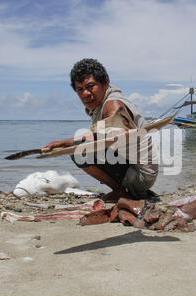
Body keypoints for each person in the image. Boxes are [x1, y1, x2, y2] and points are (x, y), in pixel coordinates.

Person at [43, 58, 158, 202]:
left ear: (105, 82)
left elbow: (118, 131)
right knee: (79, 145)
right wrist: (64, 143)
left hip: (139, 175)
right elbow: (99, 135)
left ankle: (120, 192)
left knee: (79, 152)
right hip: (136, 171)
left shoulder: (113, 104)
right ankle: (125, 190)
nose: (85, 93)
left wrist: (67, 143)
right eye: (80, 89)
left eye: (90, 86)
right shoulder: (101, 102)